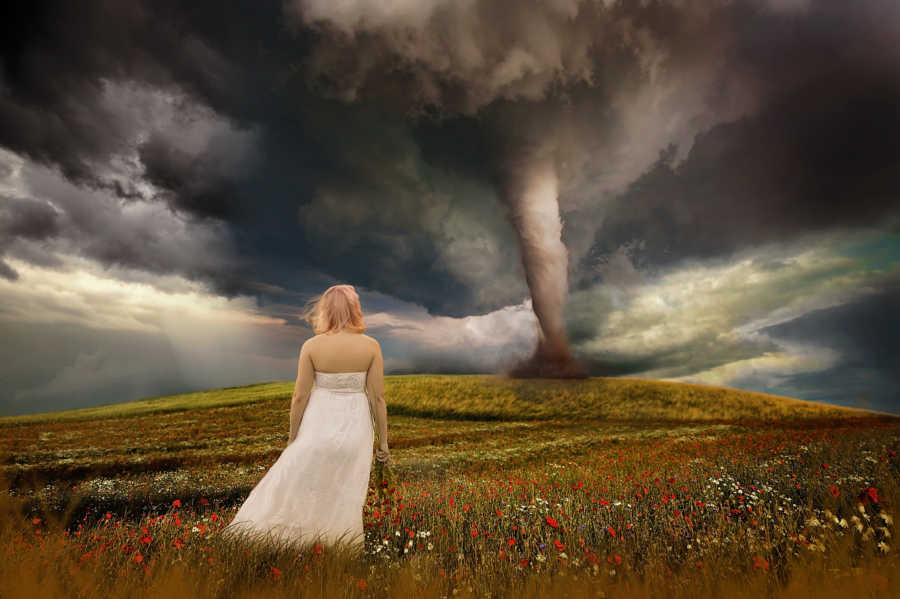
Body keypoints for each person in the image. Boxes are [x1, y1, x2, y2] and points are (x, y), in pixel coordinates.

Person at [222, 284, 391, 554]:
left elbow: (299, 397)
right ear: (355, 309)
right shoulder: (371, 346)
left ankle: (295, 539)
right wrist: (383, 443)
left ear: (325, 310)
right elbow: (378, 398)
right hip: (355, 427)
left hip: (318, 423)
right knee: (345, 488)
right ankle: (339, 545)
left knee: (305, 481)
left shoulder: (311, 346)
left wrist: (293, 439)